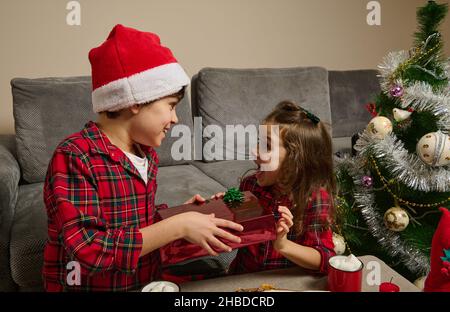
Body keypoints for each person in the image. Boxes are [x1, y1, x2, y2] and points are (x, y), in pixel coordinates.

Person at [42, 24, 243, 291]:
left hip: (144, 280)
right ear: (136, 100)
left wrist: (184, 215)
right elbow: (89, 250)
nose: (175, 118)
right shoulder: (74, 156)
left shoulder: (144, 153)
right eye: (171, 106)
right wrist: (177, 226)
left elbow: (137, 223)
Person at [229, 100, 336, 274]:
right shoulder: (250, 185)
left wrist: (283, 245)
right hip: (241, 277)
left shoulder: (314, 198)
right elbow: (237, 232)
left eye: (267, 146)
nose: (255, 151)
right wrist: (222, 209)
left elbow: (325, 258)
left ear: (295, 161)